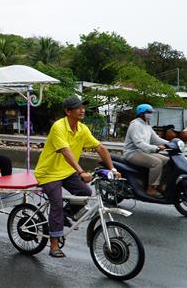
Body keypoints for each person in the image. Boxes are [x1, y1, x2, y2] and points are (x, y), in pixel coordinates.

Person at [34, 96, 118, 258]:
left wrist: (112, 169)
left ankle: (63, 217)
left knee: (85, 193)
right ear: (68, 111)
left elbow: (100, 147)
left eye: (82, 107)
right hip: (48, 173)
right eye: (78, 108)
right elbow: (66, 152)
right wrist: (81, 172)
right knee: (57, 203)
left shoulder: (82, 128)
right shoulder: (58, 127)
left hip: (67, 172)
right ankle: (54, 245)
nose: (82, 110)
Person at [123, 104, 169, 198]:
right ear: (141, 113)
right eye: (149, 112)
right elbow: (139, 143)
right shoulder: (135, 125)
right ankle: (151, 188)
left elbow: (156, 139)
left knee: (167, 160)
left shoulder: (146, 124)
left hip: (143, 152)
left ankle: (159, 185)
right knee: (156, 163)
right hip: (132, 153)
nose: (151, 114)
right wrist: (155, 148)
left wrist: (171, 143)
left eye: (151, 112)